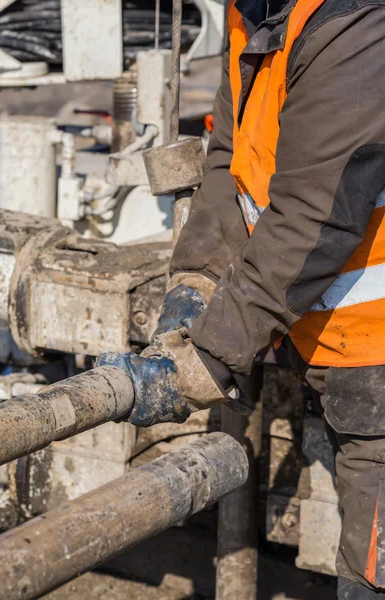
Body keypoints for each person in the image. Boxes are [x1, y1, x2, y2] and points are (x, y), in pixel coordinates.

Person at [98, 0, 385, 596]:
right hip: (329, 337)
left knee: (374, 574)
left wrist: (207, 356)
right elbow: (232, 162)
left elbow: (314, 216)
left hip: (376, 348)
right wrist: (196, 280)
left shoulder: (358, 21)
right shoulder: (252, 13)